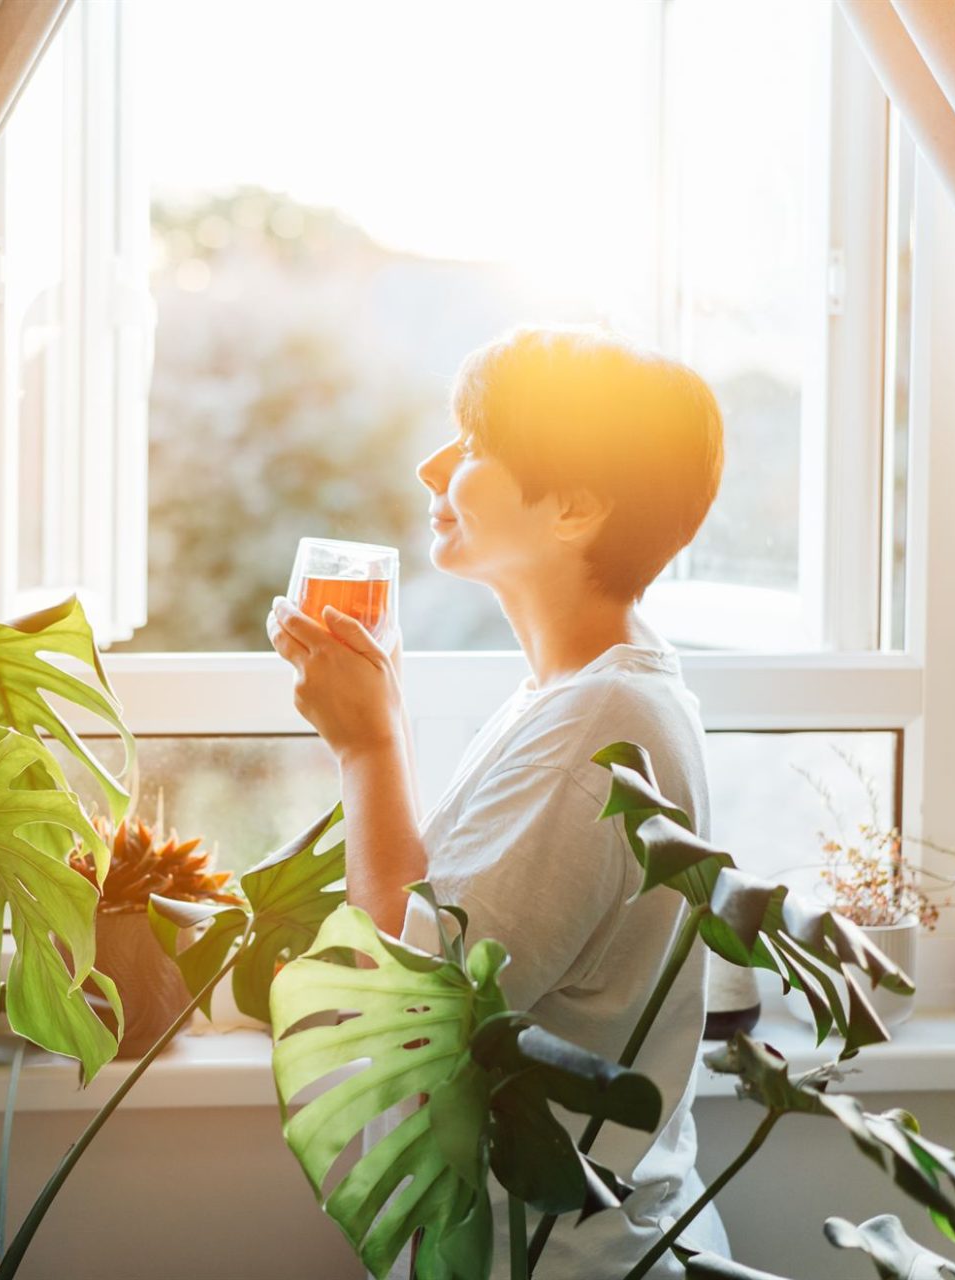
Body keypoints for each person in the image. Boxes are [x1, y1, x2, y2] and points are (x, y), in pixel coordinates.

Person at [266, 325, 728, 1279]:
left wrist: (367, 745)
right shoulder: (586, 694)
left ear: (577, 509)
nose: (434, 464)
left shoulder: (602, 721)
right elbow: (453, 919)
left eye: (475, 446)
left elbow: (403, 1004)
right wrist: (377, 712)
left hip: (555, 1257)